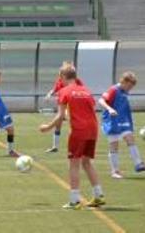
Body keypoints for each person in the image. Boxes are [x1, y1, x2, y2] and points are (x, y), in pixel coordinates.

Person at [39, 64, 106, 210]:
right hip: (93, 129)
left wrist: (47, 127)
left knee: (74, 164)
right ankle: (98, 195)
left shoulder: (64, 91)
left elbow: (61, 116)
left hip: (79, 131)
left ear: (63, 77)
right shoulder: (86, 90)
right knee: (86, 162)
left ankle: (74, 200)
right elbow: (88, 110)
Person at [98, 71, 145, 178]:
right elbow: (101, 100)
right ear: (124, 81)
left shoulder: (124, 91)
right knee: (114, 145)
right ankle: (115, 171)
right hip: (111, 121)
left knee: (130, 139)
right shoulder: (113, 90)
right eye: (129, 86)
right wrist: (110, 109)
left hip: (122, 120)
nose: (130, 88)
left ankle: (138, 164)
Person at [44, 61, 84, 153]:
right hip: (62, 103)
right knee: (58, 124)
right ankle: (55, 147)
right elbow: (55, 89)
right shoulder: (60, 80)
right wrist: (49, 94)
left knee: (73, 125)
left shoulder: (76, 81)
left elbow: (82, 90)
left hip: (72, 104)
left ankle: (77, 146)